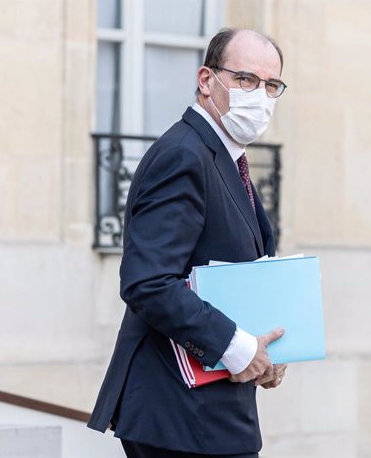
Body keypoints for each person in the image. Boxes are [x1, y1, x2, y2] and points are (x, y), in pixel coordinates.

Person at [87, 28, 289, 458]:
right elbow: (148, 282)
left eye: (271, 85)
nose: (260, 96)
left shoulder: (226, 158)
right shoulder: (184, 154)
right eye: (246, 80)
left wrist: (264, 352)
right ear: (206, 80)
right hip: (176, 414)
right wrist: (237, 348)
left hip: (209, 416)